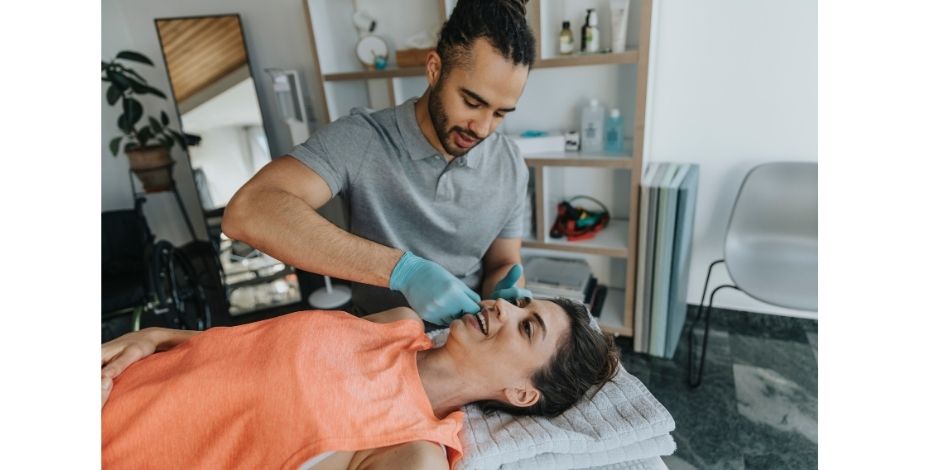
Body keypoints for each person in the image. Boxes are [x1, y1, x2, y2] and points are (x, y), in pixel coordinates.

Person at [222, 0, 536, 325]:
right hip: (376, 340)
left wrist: (504, 294)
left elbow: (502, 260)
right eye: (472, 102)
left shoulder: (510, 164)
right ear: (434, 69)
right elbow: (247, 211)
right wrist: (402, 271)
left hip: (465, 342)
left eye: (500, 113)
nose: (483, 128)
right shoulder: (364, 139)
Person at [102, 297, 619, 469]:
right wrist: (156, 336)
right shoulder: (398, 320)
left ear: (521, 394)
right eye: (521, 302)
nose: (502, 306)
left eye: (527, 326)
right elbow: (252, 345)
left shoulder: (413, 451)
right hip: (113, 372)